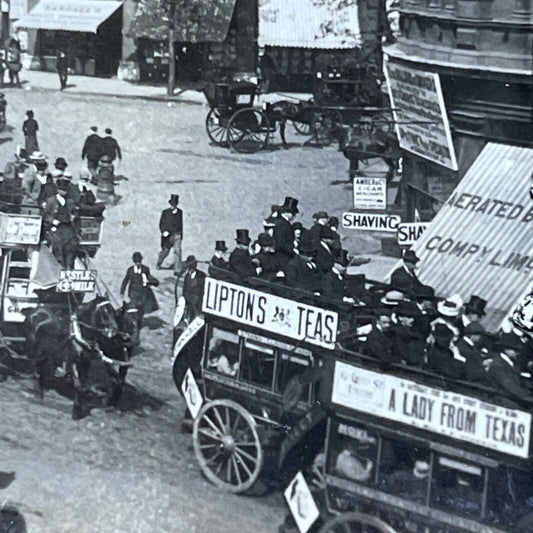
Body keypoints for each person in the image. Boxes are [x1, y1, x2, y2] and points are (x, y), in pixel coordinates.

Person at [120, 252, 159, 331]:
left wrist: (149, 282)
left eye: (139, 262)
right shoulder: (130, 270)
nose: (138, 264)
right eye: (137, 262)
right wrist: (122, 292)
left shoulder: (145, 269)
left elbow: (150, 278)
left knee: (141, 309)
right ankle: (135, 324)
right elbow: (125, 281)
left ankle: (139, 322)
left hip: (143, 292)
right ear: (134, 262)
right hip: (133, 292)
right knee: (134, 308)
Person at [157, 194, 183, 274]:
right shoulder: (165, 212)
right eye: (172, 204)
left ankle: (177, 270)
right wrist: (163, 231)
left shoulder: (180, 212)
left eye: (174, 204)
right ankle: (159, 262)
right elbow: (161, 224)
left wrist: (181, 236)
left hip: (176, 235)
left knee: (177, 251)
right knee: (165, 252)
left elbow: (181, 224)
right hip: (167, 237)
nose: (173, 206)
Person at [274, 196, 299, 266]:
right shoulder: (281, 224)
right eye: (293, 213)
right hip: (283, 257)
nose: (294, 216)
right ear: (286, 212)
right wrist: (293, 250)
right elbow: (280, 243)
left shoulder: (284, 223)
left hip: (286, 255)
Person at [181, 255, 206, 321]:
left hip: (198, 303)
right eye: (189, 267)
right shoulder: (187, 276)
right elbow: (184, 291)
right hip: (189, 303)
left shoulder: (201, 275)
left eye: (192, 267)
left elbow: (202, 291)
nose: (190, 270)